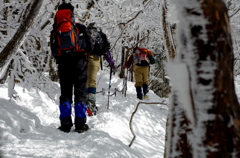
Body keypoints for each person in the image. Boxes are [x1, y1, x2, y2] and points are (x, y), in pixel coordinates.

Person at [50, 3, 93, 133]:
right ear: (72, 14)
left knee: (65, 94)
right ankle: (80, 125)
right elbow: (90, 47)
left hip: (63, 65)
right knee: (80, 93)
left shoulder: (55, 30)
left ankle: (65, 124)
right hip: (79, 64)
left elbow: (54, 51)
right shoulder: (80, 28)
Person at [86, 22, 115, 115]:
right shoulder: (101, 35)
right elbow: (106, 51)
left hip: (83, 58)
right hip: (95, 59)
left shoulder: (85, 33)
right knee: (92, 80)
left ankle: (83, 101)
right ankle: (91, 102)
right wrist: (111, 62)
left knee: (84, 79)